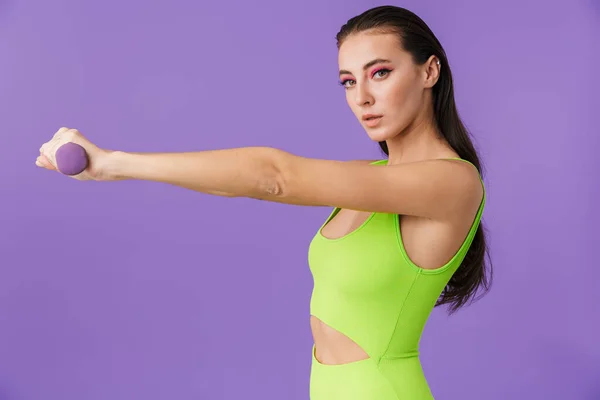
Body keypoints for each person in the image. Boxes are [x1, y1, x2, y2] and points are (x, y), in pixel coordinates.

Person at [36, 5, 492, 399]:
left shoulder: (453, 182)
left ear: (429, 71)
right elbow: (239, 184)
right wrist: (111, 168)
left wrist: (115, 163)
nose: (362, 98)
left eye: (380, 73)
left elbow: (274, 177)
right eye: (348, 82)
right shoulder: (372, 179)